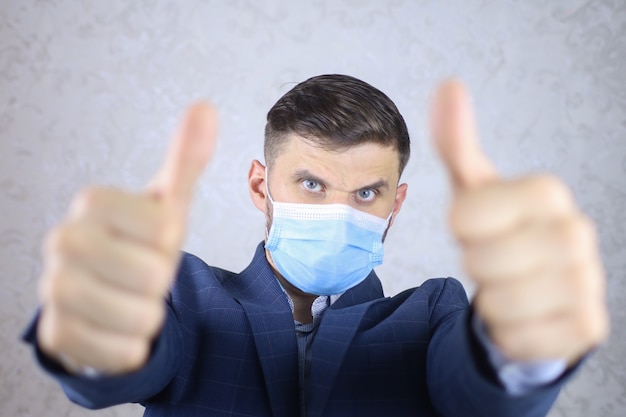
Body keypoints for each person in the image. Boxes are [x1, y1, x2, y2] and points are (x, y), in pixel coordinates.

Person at [24, 75, 608, 416]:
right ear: (261, 185)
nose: (338, 211)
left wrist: (522, 350)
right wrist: (95, 337)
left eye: (367, 193)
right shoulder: (186, 295)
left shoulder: (432, 312)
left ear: (395, 204)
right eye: (311, 184)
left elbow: (475, 394)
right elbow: (119, 366)